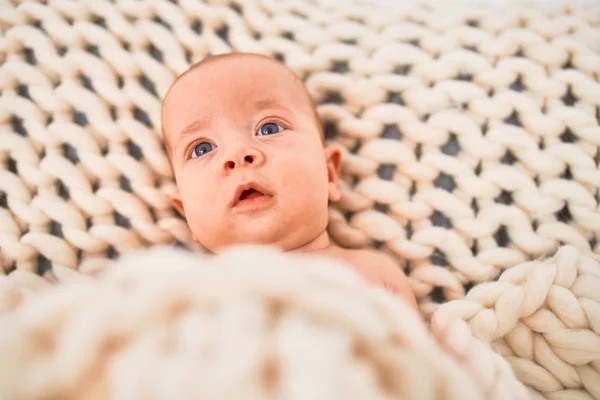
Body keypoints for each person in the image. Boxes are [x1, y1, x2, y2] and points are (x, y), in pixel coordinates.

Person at [161, 53, 418, 311]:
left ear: (329, 173)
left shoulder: (371, 274)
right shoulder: (189, 296)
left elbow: (417, 351)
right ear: (185, 211)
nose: (238, 154)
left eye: (268, 128)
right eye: (202, 148)